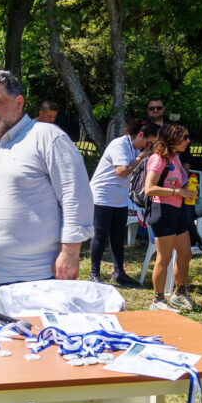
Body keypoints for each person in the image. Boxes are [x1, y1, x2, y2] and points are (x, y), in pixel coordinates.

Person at [0, 70, 94, 403]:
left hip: (38, 270)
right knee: (14, 344)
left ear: (19, 102)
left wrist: (70, 251)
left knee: (49, 347)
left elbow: (75, 194)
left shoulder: (46, 137)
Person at [87, 119, 160, 286]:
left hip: (120, 197)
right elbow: (121, 171)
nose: (148, 147)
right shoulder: (119, 144)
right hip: (102, 195)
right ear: (140, 134)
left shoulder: (135, 147)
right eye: (148, 142)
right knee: (100, 235)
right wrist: (141, 158)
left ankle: (119, 273)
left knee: (118, 236)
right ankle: (94, 273)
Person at [144, 122, 199, 312]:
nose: (188, 141)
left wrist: (188, 189)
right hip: (162, 211)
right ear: (172, 139)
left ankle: (179, 293)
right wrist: (178, 191)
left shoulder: (175, 157)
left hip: (176, 210)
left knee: (185, 254)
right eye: (184, 137)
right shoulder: (158, 159)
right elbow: (149, 189)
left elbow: (177, 183)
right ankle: (158, 300)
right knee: (164, 257)